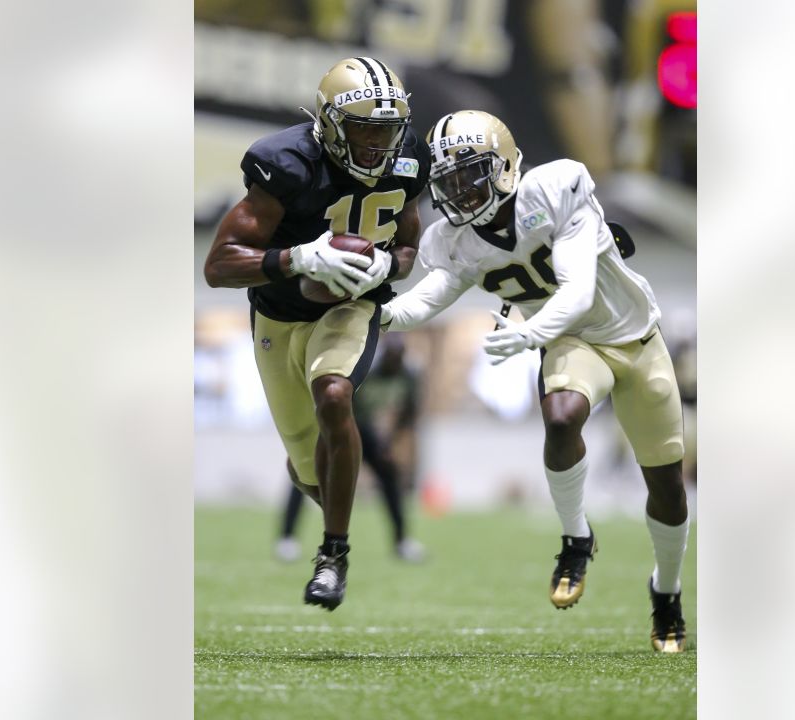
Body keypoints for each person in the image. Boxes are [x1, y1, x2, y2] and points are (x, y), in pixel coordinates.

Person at [380, 110, 690, 652]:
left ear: (502, 168)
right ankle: (576, 537)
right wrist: (374, 311)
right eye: (448, 181)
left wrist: (530, 334)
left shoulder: (554, 188)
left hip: (635, 341)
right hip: (574, 346)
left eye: (468, 176)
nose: (458, 192)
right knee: (562, 415)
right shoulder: (453, 240)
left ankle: (666, 591)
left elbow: (576, 291)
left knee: (666, 488)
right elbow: (426, 299)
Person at [203, 57, 430, 611]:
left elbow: (406, 241)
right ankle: (321, 493)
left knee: (335, 394)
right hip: (278, 315)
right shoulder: (286, 162)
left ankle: (333, 555)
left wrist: (389, 268)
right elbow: (218, 266)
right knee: (309, 472)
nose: (378, 143)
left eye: (387, 129)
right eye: (364, 128)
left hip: (350, 307)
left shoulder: (408, 160)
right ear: (328, 122)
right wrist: (298, 258)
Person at [275, 334, 426, 563]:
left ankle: (402, 541)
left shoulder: (409, 376)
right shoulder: (367, 369)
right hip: (339, 425)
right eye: (391, 356)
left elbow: (409, 412)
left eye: (398, 357)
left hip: (367, 430)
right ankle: (287, 538)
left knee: (389, 475)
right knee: (306, 471)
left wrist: (390, 441)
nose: (394, 361)